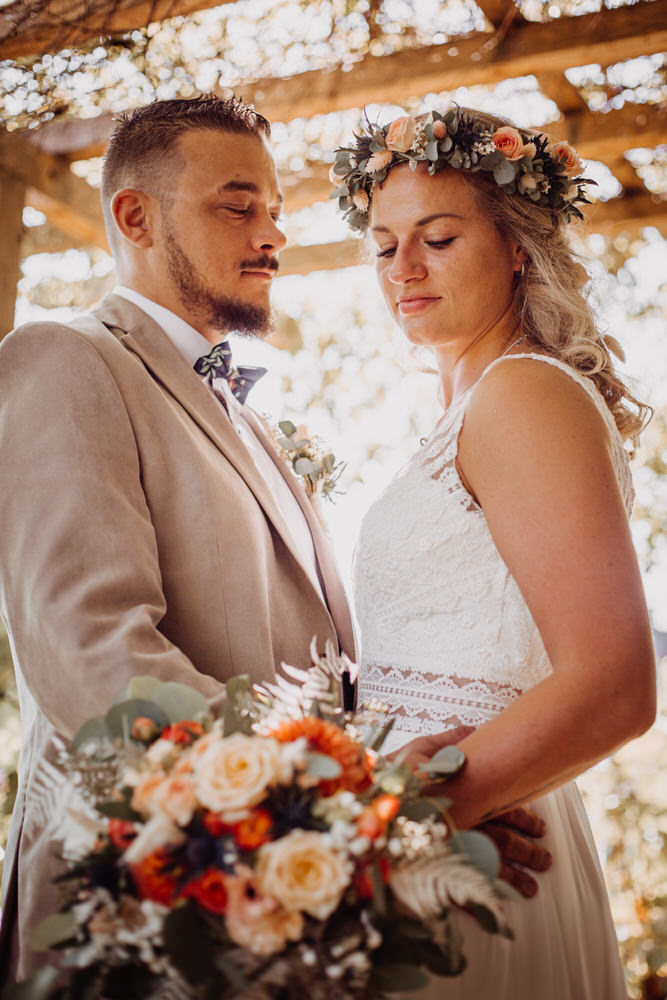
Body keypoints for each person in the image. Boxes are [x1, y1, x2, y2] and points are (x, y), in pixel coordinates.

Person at [0, 95, 548, 986]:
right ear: (134, 217)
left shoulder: (252, 422)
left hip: (285, 927)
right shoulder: (61, 359)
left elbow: (319, 674)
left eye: (276, 212)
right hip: (135, 918)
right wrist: (357, 806)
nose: (272, 236)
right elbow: (96, 661)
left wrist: (406, 801)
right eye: (236, 206)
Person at [332, 107, 657, 997]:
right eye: (383, 244)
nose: (402, 268)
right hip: (428, 837)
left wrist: (404, 809)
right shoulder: (471, 408)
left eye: (436, 237)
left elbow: (615, 685)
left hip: (468, 845)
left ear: (517, 246)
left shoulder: (520, 395)